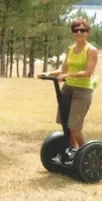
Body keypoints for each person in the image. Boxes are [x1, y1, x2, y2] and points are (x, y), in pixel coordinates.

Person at [40, 18, 99, 156]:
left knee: (74, 127)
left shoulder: (91, 50)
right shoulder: (70, 49)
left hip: (82, 91)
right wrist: (47, 73)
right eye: (75, 30)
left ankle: (86, 155)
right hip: (67, 89)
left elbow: (87, 72)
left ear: (87, 32)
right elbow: (63, 69)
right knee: (64, 122)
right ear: (72, 33)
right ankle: (72, 149)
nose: (79, 32)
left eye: (82, 30)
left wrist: (68, 75)